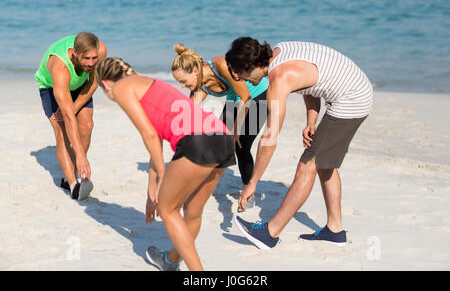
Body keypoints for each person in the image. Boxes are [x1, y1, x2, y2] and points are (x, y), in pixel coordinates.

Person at [226, 37, 373, 249]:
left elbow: (270, 138)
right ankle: (335, 229)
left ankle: (269, 233)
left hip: (351, 99)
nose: (240, 79)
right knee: (324, 163)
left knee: (308, 164)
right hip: (355, 90)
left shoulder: (280, 77)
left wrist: (252, 183)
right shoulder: (280, 50)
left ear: (252, 67)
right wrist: (311, 120)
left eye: (240, 73)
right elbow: (310, 86)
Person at [95, 57, 235, 271]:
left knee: (168, 210)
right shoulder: (150, 83)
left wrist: (162, 174)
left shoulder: (122, 87)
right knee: (193, 210)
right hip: (221, 137)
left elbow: (149, 135)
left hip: (197, 142)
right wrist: (152, 185)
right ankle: (170, 261)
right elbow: (157, 139)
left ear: (105, 83)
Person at [171, 43, 269, 209]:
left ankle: (247, 191)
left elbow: (245, 96)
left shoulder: (221, 65)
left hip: (257, 95)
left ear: (195, 71)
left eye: (183, 82)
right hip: (235, 100)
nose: (181, 86)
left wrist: (236, 131)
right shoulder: (197, 84)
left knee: (241, 146)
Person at [34, 32, 107, 200]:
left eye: (93, 58)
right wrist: (80, 155)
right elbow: (67, 116)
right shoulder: (60, 67)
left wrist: (75, 107)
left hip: (79, 86)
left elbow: (93, 81)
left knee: (87, 125)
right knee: (62, 132)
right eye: (86, 59)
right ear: (75, 54)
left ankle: (77, 168)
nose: (90, 63)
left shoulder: (100, 50)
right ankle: (72, 184)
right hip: (52, 87)